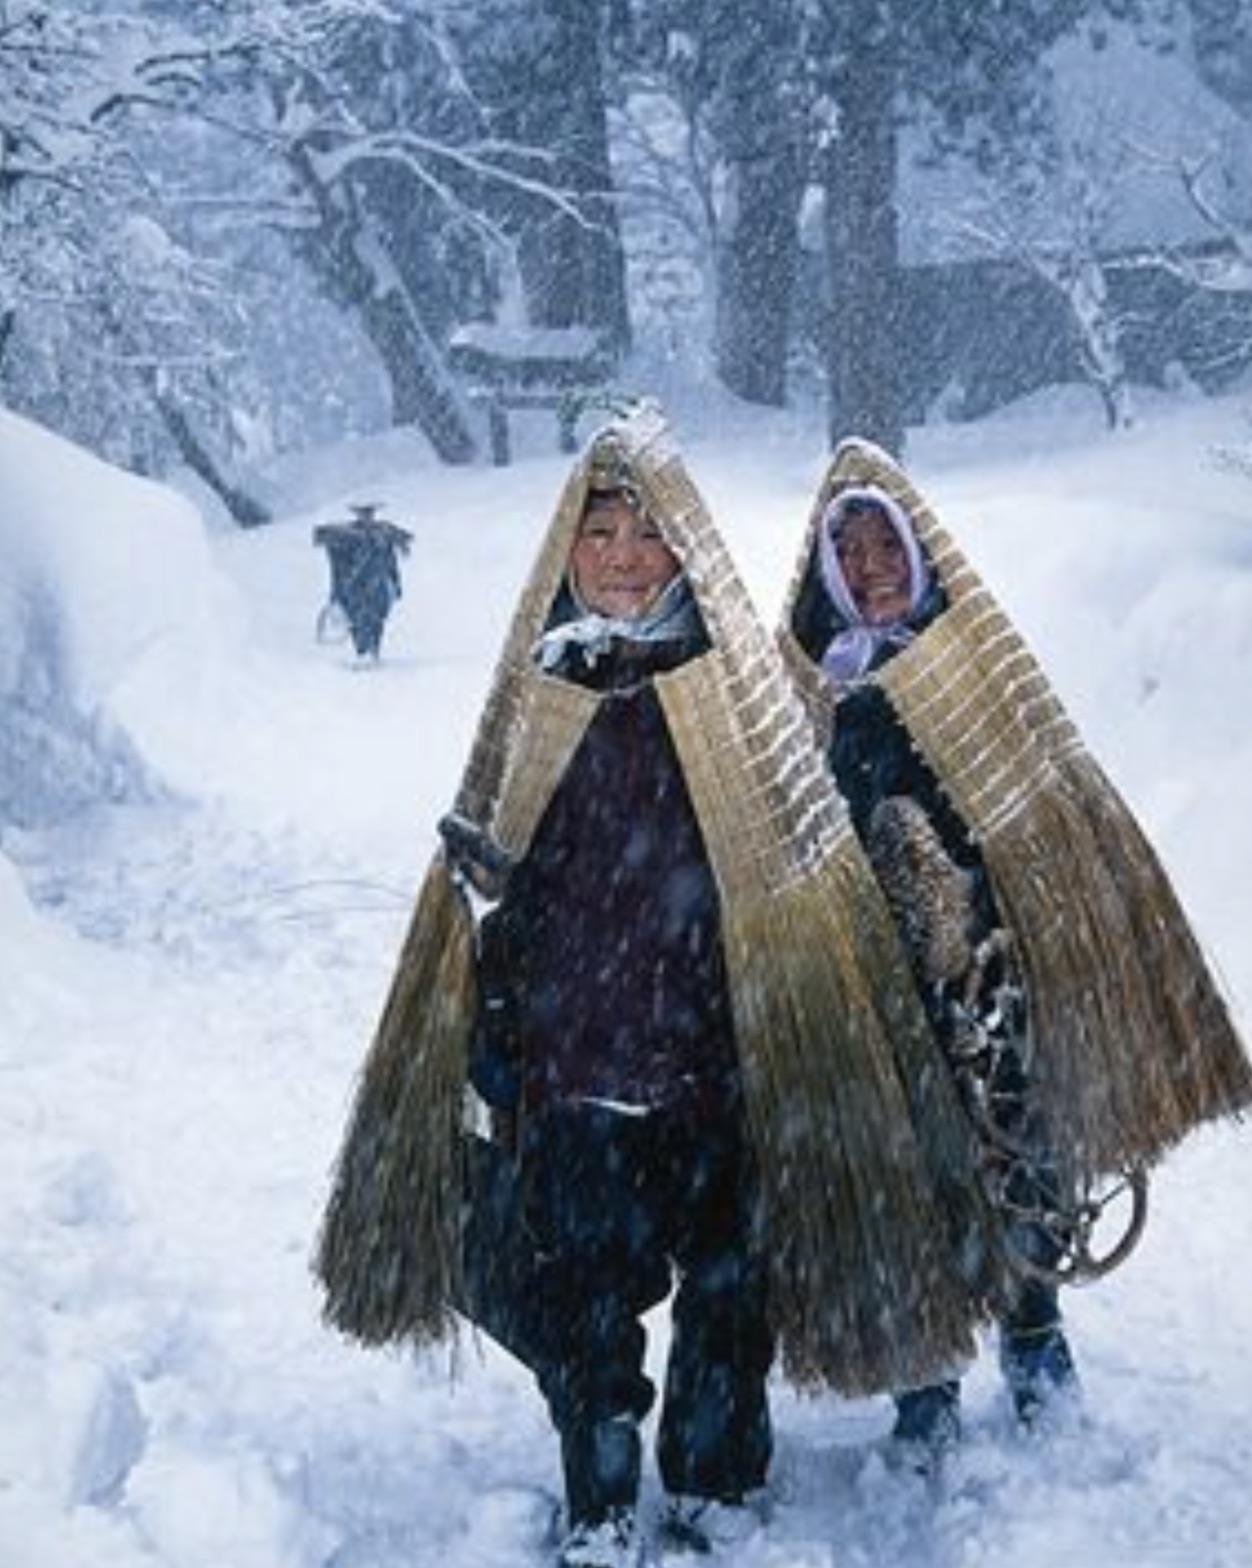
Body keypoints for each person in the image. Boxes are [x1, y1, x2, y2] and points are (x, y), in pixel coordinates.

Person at [315, 409, 1000, 1568]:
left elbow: (798, 845)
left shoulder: (735, 693)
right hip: (574, 1050)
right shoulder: (541, 685)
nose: (624, 553)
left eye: (646, 530)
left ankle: (714, 1481)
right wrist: (488, 989)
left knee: (728, 1287)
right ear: (565, 547)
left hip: (714, 1048)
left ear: (686, 547)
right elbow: (506, 862)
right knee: (581, 1280)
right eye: (600, 529)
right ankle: (598, 1468)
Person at [779, 438, 1252, 1463]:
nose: (869, 569)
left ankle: (1035, 1335)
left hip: (988, 960)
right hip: (875, 968)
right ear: (827, 570)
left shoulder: (974, 670)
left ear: (918, 552)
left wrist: (979, 906)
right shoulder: (813, 693)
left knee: (1013, 1150)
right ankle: (927, 1376)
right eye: (849, 553)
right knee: (906, 1170)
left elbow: (1032, 811)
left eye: (883, 548)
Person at [313, 501, 412, 660]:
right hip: (355, 586)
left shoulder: (382, 534)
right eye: (363, 512)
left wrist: (396, 583)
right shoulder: (347, 534)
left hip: (378, 585)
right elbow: (337, 564)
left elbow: (390, 561)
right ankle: (362, 651)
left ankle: (373, 652)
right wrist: (338, 589)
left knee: (377, 620)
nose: (367, 516)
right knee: (358, 620)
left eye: (369, 512)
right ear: (357, 514)